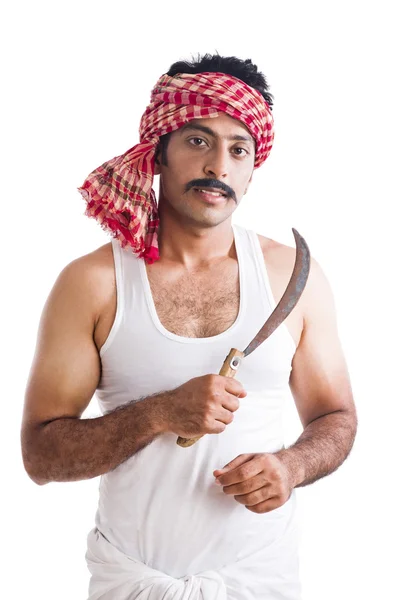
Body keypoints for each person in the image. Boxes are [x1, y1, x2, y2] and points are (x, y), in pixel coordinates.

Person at [21, 53, 357, 600]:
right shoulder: (92, 283)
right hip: (131, 581)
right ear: (159, 153)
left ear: (252, 167)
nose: (219, 166)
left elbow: (336, 417)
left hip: (261, 582)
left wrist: (292, 466)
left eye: (238, 149)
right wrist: (158, 412)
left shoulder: (293, 276)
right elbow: (40, 457)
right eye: (198, 141)